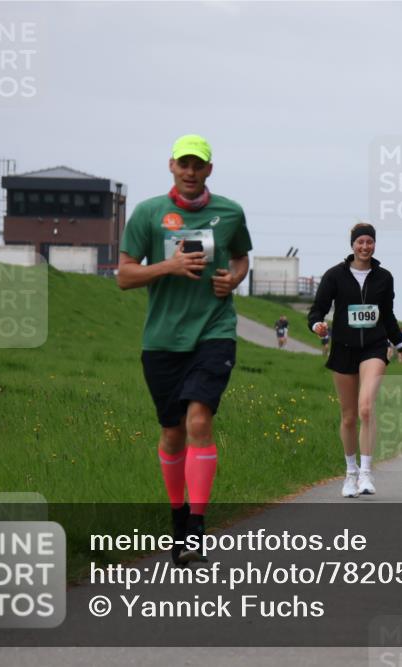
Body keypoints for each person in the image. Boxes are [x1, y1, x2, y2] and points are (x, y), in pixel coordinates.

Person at [117, 134, 251, 565]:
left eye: (199, 165)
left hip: (214, 330)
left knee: (198, 420)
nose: (191, 172)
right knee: (173, 432)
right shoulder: (149, 213)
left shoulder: (229, 212)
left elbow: (241, 257)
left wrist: (233, 279)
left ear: (209, 169)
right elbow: (124, 275)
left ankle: (195, 526)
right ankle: (177, 516)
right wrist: (170, 266)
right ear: (171, 166)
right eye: (184, 164)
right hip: (161, 339)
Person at [308, 223, 402, 498]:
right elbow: (318, 310)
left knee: (366, 408)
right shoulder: (335, 275)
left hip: (374, 347)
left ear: (375, 244)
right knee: (348, 417)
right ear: (352, 245)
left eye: (370, 241)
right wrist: (317, 325)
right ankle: (350, 473)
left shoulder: (384, 277)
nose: (365, 246)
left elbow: (388, 316)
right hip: (343, 349)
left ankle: (367, 472)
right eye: (360, 242)